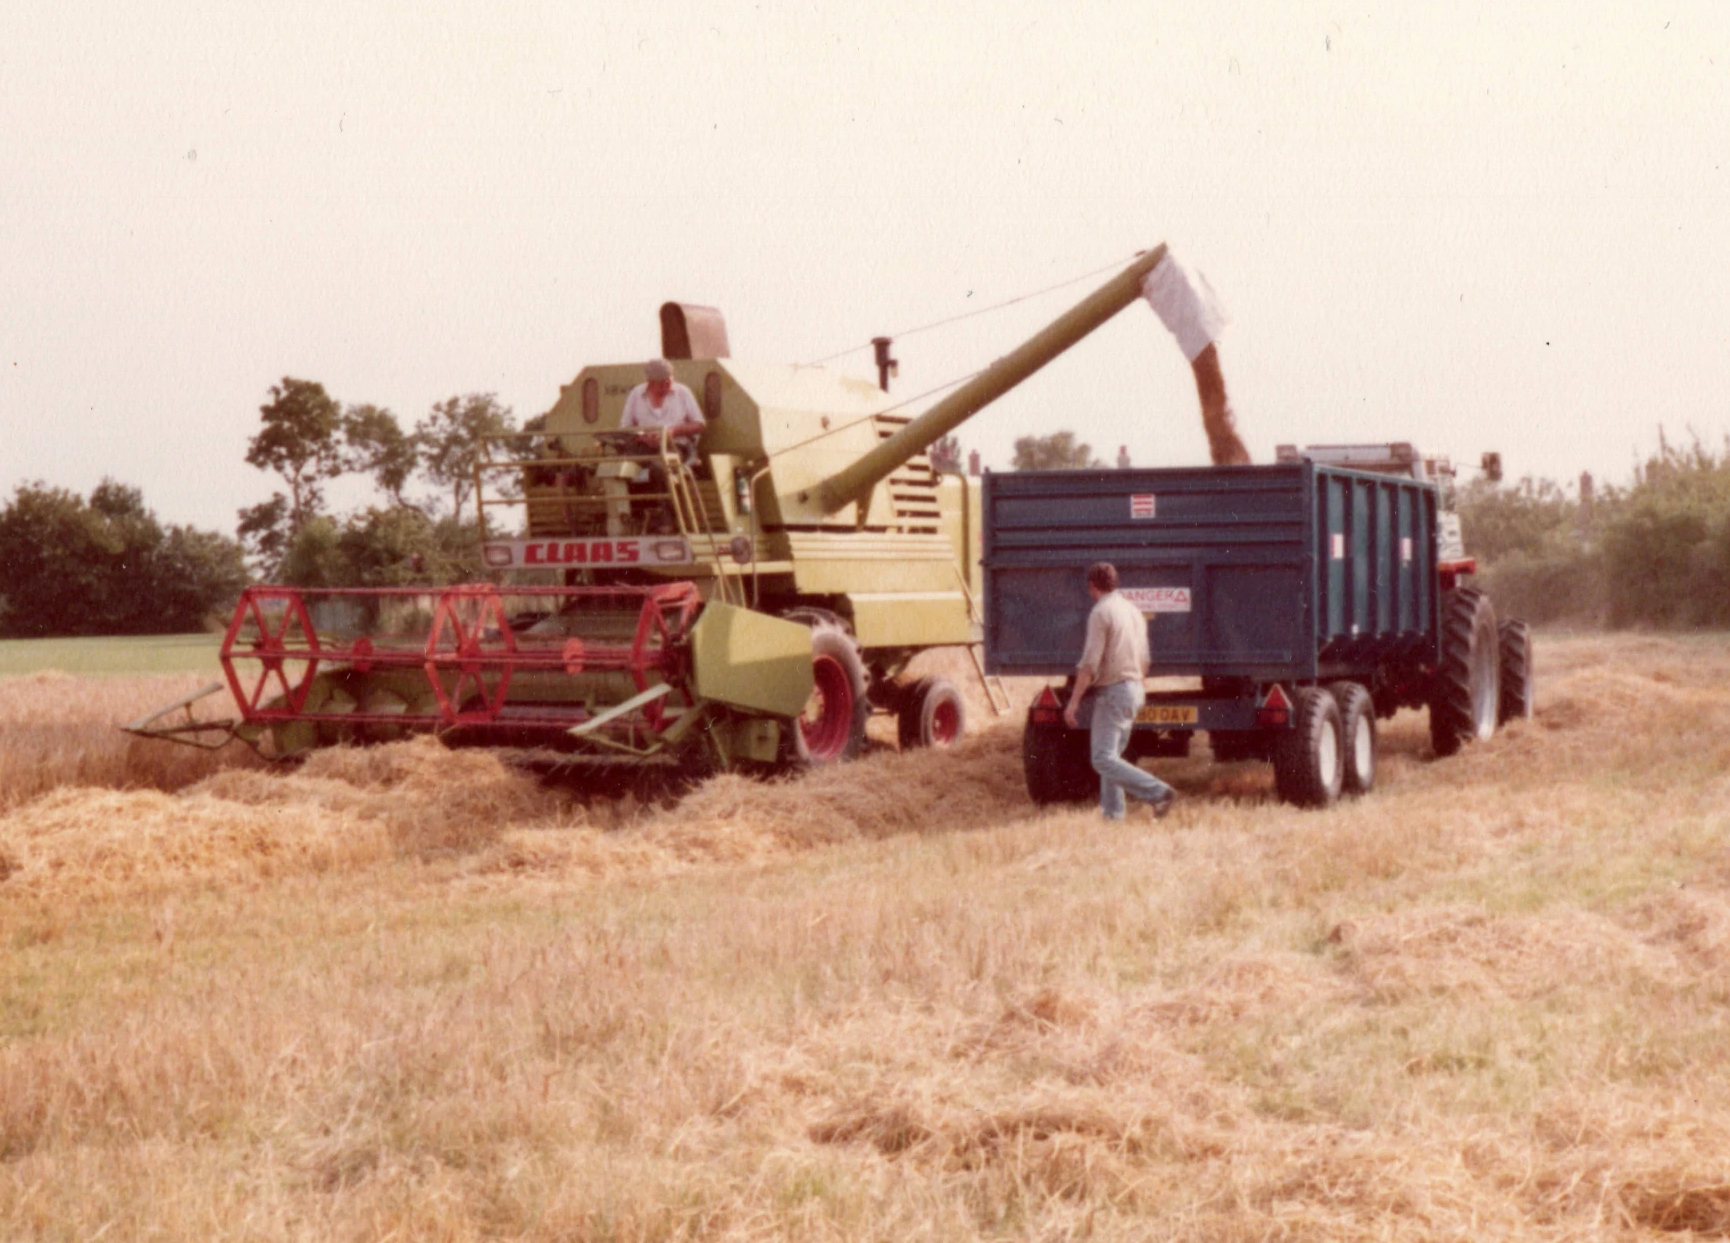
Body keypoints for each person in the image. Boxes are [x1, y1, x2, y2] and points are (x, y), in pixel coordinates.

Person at [1062, 562, 1178, 821]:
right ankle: (1113, 816)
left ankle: (1159, 793)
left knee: (1102, 759)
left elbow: (1090, 663)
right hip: (1134, 689)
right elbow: (1145, 660)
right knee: (1112, 759)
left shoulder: (1101, 612)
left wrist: (1073, 703)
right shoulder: (1133, 611)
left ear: (1092, 587)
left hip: (1114, 692)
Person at [619, 359, 706, 530]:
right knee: (624, 468)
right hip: (644, 446)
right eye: (662, 383)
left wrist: (672, 431)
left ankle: (667, 519)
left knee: (659, 467)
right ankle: (633, 516)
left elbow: (699, 424)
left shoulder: (683, 393)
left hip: (676, 446)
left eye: (669, 381)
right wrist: (643, 437)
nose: (667, 386)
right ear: (650, 382)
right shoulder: (636, 394)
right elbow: (625, 427)